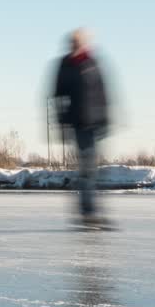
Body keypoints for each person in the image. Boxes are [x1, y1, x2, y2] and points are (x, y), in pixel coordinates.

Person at [52, 28, 113, 229]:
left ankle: (93, 211)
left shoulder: (92, 62)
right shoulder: (65, 65)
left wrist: (106, 118)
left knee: (95, 171)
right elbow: (57, 95)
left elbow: (102, 92)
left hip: (96, 122)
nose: (76, 46)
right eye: (74, 43)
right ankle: (88, 212)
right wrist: (62, 121)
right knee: (87, 170)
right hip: (78, 123)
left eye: (79, 42)